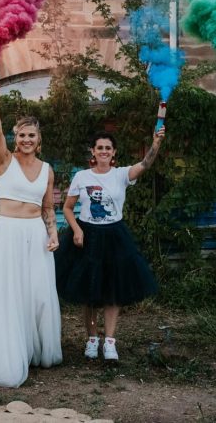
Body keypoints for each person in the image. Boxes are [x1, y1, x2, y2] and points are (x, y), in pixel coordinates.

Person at [55, 130, 163, 362]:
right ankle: (92, 339)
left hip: (114, 236)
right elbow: (67, 208)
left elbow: (145, 164)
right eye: (99, 147)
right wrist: (76, 229)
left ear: (114, 152)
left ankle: (110, 342)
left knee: (113, 291)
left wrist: (155, 143)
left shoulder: (121, 174)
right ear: (93, 152)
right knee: (90, 292)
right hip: (87, 236)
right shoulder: (81, 177)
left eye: (108, 148)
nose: (103, 151)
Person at [0, 84, 62, 388]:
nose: (26, 140)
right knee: (9, 294)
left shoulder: (47, 169)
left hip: (36, 236)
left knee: (38, 294)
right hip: (7, 234)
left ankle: (36, 349)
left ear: (39, 140)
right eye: (22, 135)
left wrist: (53, 234)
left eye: (32, 135)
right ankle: (9, 355)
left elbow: (48, 208)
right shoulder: (4, 160)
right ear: (16, 138)